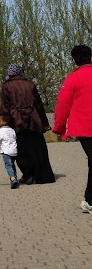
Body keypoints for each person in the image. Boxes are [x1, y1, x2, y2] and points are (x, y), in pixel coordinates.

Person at [0, 63, 55, 184]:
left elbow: (5, 107)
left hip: (16, 121)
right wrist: (45, 123)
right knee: (38, 148)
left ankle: (28, 174)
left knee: (21, 149)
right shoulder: (30, 84)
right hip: (34, 119)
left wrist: (3, 126)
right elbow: (39, 105)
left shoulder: (6, 86)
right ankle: (43, 176)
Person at [52, 44, 92, 213]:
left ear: (74, 61)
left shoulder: (72, 79)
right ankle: (90, 199)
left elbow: (63, 105)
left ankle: (90, 200)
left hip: (84, 128)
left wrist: (58, 127)